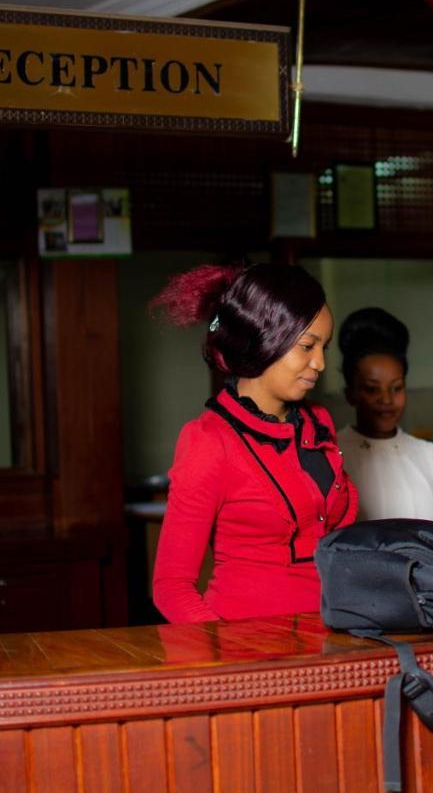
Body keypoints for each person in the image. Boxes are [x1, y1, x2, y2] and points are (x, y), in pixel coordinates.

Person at [150, 263, 357, 623]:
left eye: (324, 347)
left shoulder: (317, 421)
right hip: (250, 650)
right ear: (266, 337)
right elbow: (171, 587)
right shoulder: (210, 442)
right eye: (308, 346)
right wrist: (229, 661)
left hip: (334, 637)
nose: (320, 363)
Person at [336, 307, 433, 522]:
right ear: (350, 394)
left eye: (396, 388)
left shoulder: (429, 455)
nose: (386, 399)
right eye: (372, 389)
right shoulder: (334, 454)